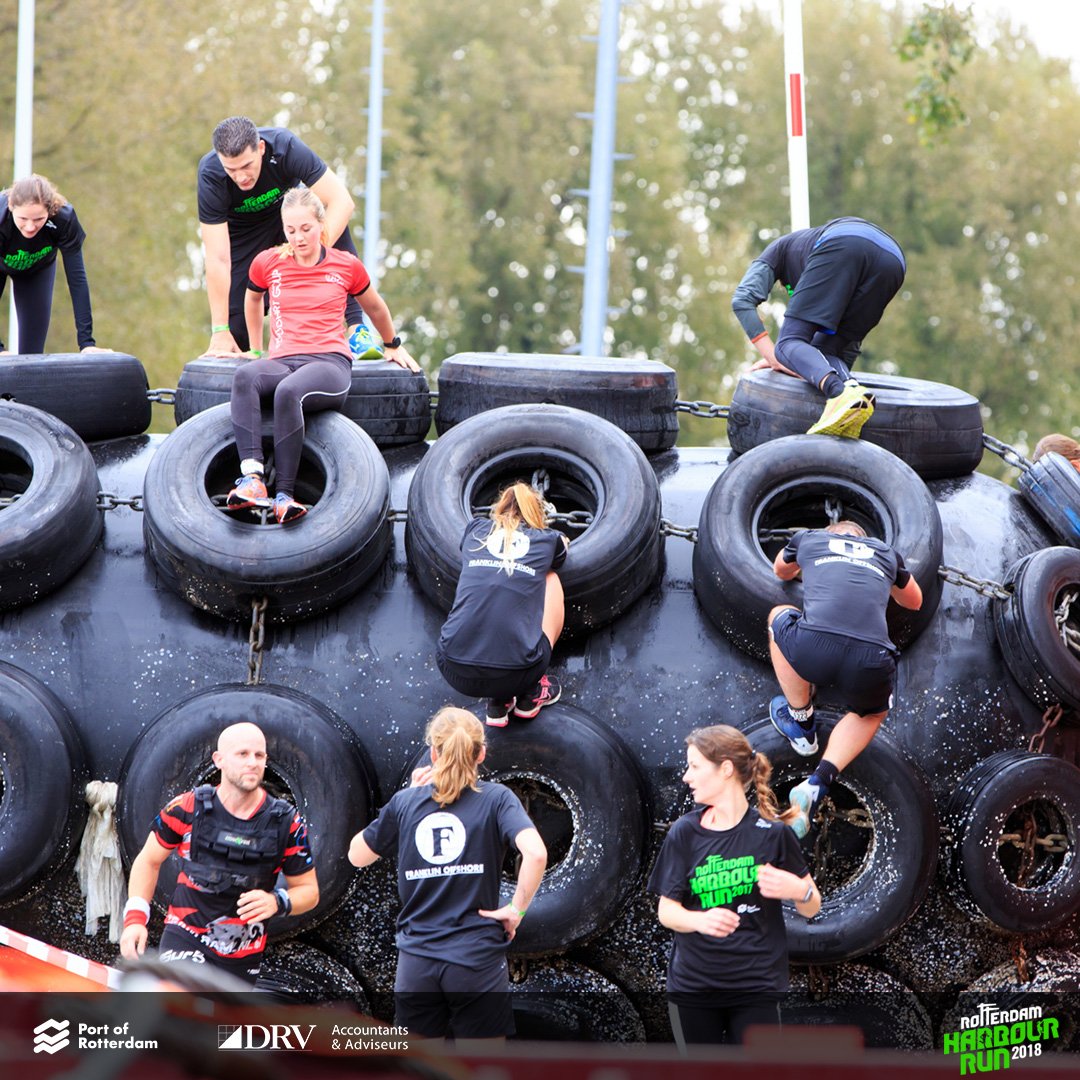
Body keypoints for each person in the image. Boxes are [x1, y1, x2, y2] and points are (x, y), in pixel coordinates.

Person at [349, 707, 547, 1042]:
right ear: (481, 753)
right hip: (476, 957)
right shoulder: (498, 799)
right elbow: (536, 853)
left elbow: (356, 856)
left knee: (420, 1063)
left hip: (417, 961)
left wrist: (405, 798)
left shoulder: (405, 803)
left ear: (433, 753)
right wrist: (517, 909)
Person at [226, 186, 419, 525]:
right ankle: (253, 479)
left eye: (306, 228)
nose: (298, 238)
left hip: (328, 363)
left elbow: (375, 307)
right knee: (245, 377)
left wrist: (392, 343)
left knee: (289, 392)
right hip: (283, 360)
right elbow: (252, 298)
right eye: (290, 230)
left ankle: (285, 496)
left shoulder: (345, 265)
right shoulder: (268, 262)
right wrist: (255, 350)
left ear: (321, 225)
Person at [649, 724, 820, 1048]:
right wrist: (700, 920)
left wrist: (800, 891)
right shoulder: (684, 832)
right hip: (694, 988)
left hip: (757, 986)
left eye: (695, 766)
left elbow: (812, 907)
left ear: (725, 769)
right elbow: (666, 912)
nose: (686, 776)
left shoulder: (773, 833)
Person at [119, 722, 318, 986]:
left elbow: (309, 891)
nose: (252, 762)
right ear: (219, 760)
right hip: (186, 938)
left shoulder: (287, 822)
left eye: (259, 755)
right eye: (243, 754)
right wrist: (135, 919)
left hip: (242, 955)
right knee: (181, 1002)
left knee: (219, 1014)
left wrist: (277, 902)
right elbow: (148, 860)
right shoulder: (187, 807)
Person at [766, 520, 923, 838]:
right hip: (871, 658)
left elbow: (780, 571)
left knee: (777, 616)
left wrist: (813, 569)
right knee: (871, 714)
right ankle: (817, 783)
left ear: (830, 531)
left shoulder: (809, 538)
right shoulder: (885, 552)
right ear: (865, 539)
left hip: (813, 647)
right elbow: (914, 601)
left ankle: (801, 722)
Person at [198, 115, 379, 358]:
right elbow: (218, 257)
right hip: (243, 234)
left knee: (322, 223)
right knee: (235, 326)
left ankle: (357, 328)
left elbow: (342, 201)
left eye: (247, 166)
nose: (241, 177)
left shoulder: (285, 147)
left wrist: (312, 256)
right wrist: (220, 330)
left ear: (261, 148)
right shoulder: (210, 173)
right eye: (232, 169)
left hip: (288, 219)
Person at [731, 216, 906, 439]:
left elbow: (742, 300)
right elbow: (842, 349)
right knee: (826, 350)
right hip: (894, 261)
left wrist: (776, 358)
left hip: (844, 240)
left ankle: (837, 392)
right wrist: (810, 369)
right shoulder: (813, 259)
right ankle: (850, 393)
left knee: (787, 343)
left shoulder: (777, 251)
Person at [435, 482, 568, 727]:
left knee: (486, 585)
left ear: (498, 507)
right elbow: (560, 558)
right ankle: (531, 694)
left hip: (451, 666)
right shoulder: (548, 540)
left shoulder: (475, 529)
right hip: (519, 672)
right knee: (550, 578)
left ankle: (499, 702)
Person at [0, 175, 109, 354]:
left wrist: (87, 343)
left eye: (38, 219)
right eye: (23, 218)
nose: (30, 227)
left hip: (37, 270)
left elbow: (77, 281)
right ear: (11, 206)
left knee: (32, 356)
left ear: (50, 210)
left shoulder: (64, 220)